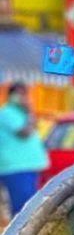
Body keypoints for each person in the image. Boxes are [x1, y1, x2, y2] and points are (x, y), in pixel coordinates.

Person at [0, 82, 48, 217]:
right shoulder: (6, 113)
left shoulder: (20, 113)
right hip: (15, 167)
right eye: (18, 94)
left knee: (29, 204)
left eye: (24, 94)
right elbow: (24, 132)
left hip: (26, 166)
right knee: (23, 206)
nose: (22, 98)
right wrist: (30, 111)